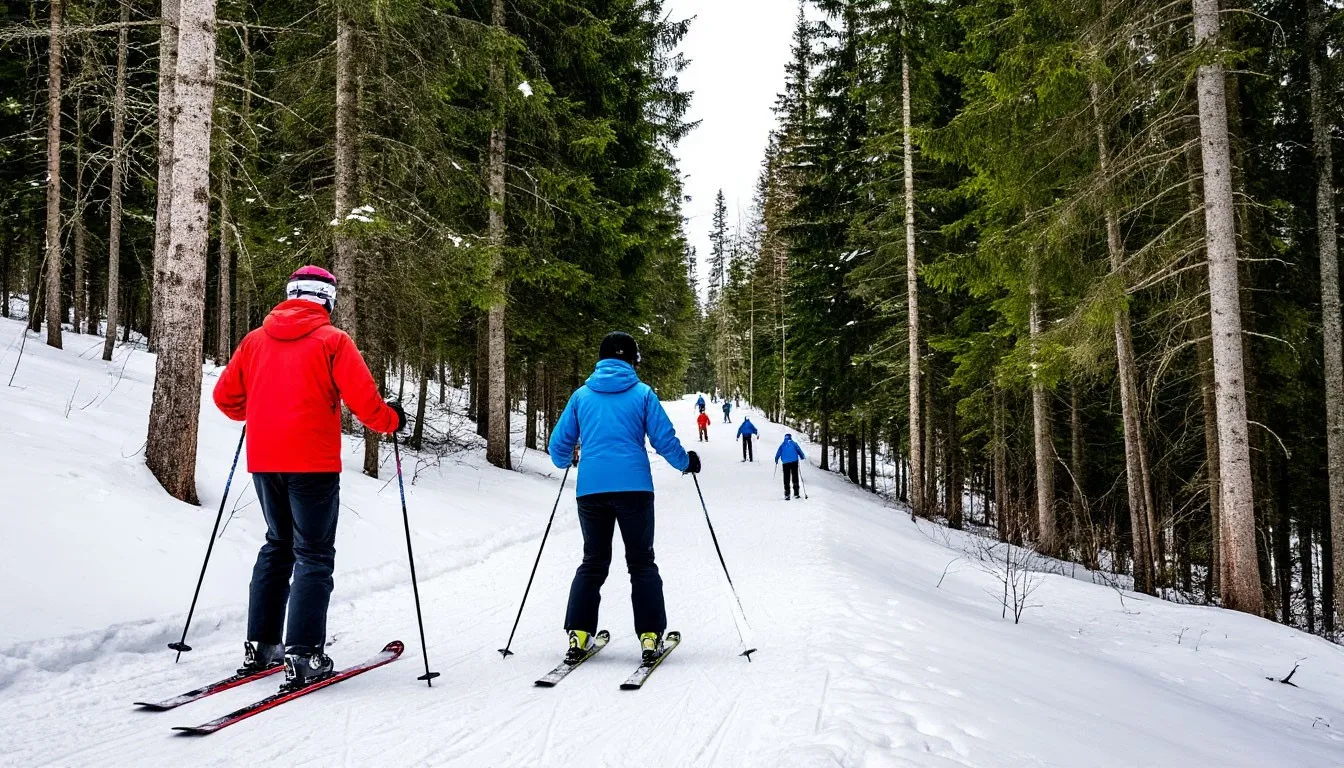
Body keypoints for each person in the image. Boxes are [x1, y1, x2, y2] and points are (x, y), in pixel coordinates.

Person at [214, 265, 406, 689]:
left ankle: (262, 645)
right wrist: (392, 419)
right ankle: (303, 655)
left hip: (265, 460)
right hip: (313, 463)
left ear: (291, 295)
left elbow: (225, 398)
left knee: (277, 544)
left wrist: (262, 410)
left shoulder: (254, 340)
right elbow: (365, 403)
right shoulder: (333, 340)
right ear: (327, 300)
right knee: (314, 555)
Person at [548, 332, 701, 664]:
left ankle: (579, 634)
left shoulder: (581, 396)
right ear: (633, 360)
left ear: (601, 359)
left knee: (593, 562)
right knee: (641, 562)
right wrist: (686, 463)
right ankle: (650, 637)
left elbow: (558, 445)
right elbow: (663, 439)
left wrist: (565, 460)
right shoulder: (642, 394)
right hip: (635, 489)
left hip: (592, 490)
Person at [775, 434, 806, 500]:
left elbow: (778, 452)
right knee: (795, 476)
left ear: (785, 438)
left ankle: (787, 494)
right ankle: (796, 493)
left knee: (786, 478)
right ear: (790, 438)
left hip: (785, 463)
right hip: (794, 462)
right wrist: (802, 456)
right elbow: (799, 450)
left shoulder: (783, 445)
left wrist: (776, 459)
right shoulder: (794, 444)